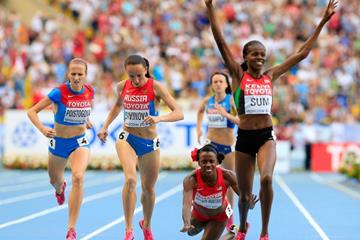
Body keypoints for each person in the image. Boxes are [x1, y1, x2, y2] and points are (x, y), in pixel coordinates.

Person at [204, 0, 338, 239]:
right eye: (255, 54)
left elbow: (302, 53)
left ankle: (264, 232)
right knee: (244, 195)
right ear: (245, 57)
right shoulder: (237, 75)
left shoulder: (271, 75)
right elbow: (221, 41)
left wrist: (323, 22)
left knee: (266, 178)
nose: (260, 58)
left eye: (263, 55)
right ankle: (244, 226)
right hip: (244, 139)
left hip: (266, 136)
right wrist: (210, 8)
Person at [97, 54, 184, 240]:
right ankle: (128, 230)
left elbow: (179, 113)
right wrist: (104, 127)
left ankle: (146, 224)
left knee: (148, 189)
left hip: (149, 143)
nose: (135, 80)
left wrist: (159, 118)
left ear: (146, 69)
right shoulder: (121, 87)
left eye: (139, 75)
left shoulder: (156, 86)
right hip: (127, 137)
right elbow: (117, 107)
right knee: (130, 180)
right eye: (131, 76)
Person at [27, 58, 94, 240]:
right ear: (67, 74)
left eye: (80, 74)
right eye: (73, 74)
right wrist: (42, 129)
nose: (77, 77)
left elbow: (84, 109)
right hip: (58, 143)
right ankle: (59, 188)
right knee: (54, 180)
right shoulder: (59, 92)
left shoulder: (90, 91)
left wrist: (86, 120)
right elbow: (31, 111)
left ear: (86, 76)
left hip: (79, 142)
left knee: (78, 177)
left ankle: (71, 229)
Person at [180, 144, 258, 240]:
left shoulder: (228, 176)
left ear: (217, 161)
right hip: (199, 214)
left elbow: (243, 197)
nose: (208, 165)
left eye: (211, 161)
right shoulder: (191, 180)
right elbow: (187, 205)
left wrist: (250, 205)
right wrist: (187, 223)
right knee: (190, 232)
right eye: (204, 162)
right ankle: (231, 232)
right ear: (199, 163)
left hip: (219, 216)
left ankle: (232, 233)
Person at [196, 71, 239, 231]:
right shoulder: (208, 101)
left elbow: (240, 121)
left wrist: (225, 114)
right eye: (215, 82)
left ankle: (230, 219)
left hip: (228, 147)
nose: (218, 84)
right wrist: (198, 129)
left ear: (227, 84)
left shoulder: (232, 101)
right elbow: (200, 112)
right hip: (211, 145)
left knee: (229, 183)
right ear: (212, 85)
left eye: (221, 81)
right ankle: (204, 215)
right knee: (204, 180)